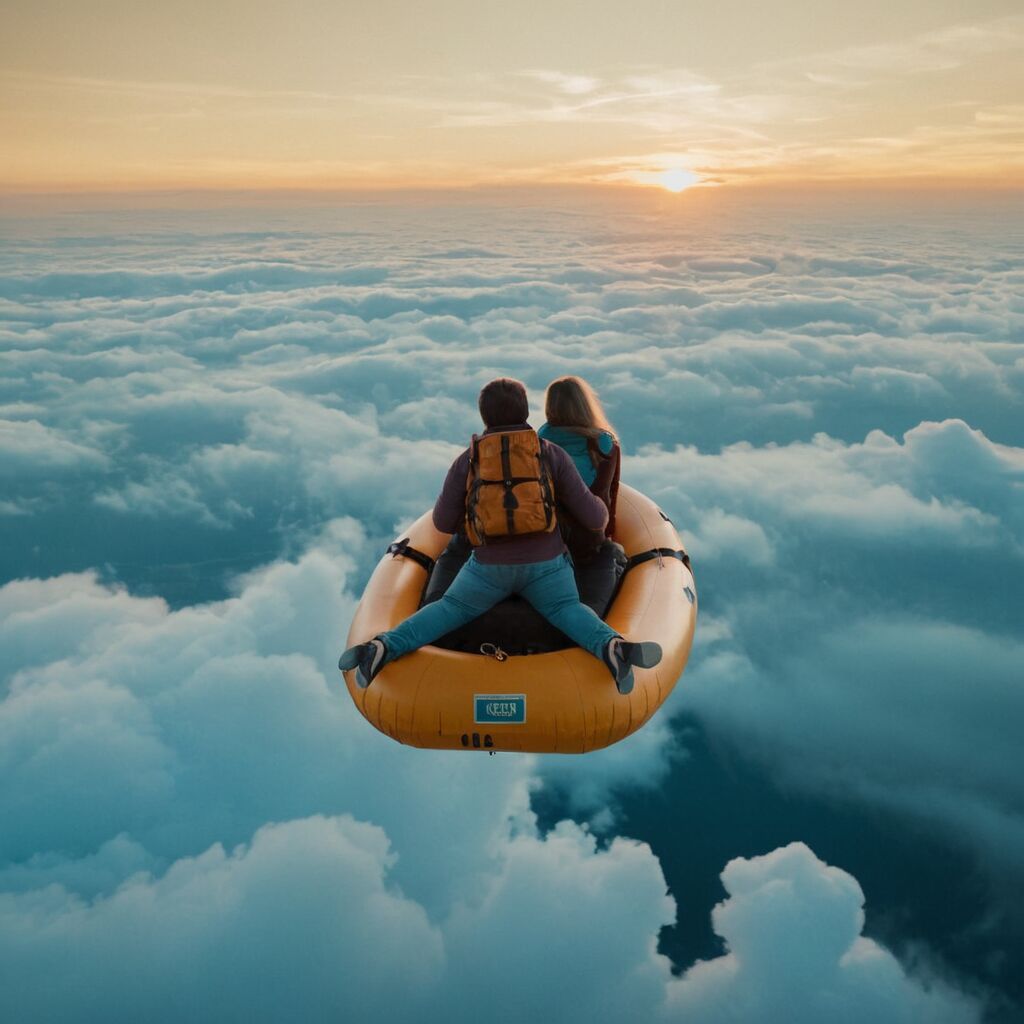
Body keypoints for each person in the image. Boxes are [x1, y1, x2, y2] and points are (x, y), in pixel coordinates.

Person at [339, 378, 661, 694]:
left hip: (487, 569)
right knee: (568, 610)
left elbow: (442, 523)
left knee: (449, 608)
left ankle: (382, 648)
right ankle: (613, 649)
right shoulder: (549, 453)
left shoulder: (469, 460)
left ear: (485, 416)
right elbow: (595, 517)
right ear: (525, 411)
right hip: (547, 566)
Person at [538, 376, 621, 551]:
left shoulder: (538, 442)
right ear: (584, 405)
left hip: (545, 535)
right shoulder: (605, 444)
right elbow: (607, 495)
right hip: (588, 538)